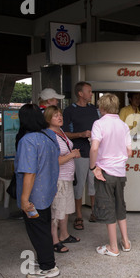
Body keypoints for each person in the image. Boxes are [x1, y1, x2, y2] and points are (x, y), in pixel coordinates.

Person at [14, 104, 60, 278]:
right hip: (47, 191)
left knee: (38, 231)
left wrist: (25, 199)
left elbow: (30, 172)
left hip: (34, 196)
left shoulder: (28, 140)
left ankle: (48, 267)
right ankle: (45, 259)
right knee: (44, 228)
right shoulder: (49, 135)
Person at [89, 93, 132, 256]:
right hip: (120, 172)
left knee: (108, 208)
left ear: (102, 107)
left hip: (105, 172)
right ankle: (126, 242)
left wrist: (93, 167)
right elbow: (129, 151)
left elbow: (94, 148)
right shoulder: (123, 125)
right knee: (120, 206)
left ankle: (113, 247)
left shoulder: (99, 124)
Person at [62, 81, 100, 230]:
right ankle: (78, 215)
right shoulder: (69, 111)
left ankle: (94, 211)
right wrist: (81, 134)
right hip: (79, 153)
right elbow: (64, 135)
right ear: (80, 93)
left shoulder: (94, 110)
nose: (91, 94)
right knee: (78, 186)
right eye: (89, 91)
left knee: (93, 183)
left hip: (94, 152)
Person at [44, 106, 81, 253]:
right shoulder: (49, 135)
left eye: (60, 115)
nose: (60, 117)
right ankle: (54, 240)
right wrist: (72, 155)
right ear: (48, 119)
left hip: (67, 177)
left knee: (64, 209)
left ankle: (64, 234)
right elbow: (54, 160)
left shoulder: (61, 132)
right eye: (55, 116)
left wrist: (72, 153)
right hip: (58, 179)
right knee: (56, 211)